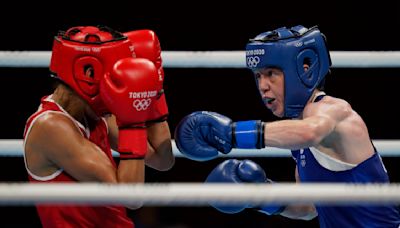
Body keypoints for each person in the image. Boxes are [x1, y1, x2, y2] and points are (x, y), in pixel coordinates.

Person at [174, 25, 400, 227]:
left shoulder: (334, 110)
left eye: (271, 73)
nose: (263, 86)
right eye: (258, 76)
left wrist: (232, 134)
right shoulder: (297, 132)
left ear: (304, 69)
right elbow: (309, 208)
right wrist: (259, 197)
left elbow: (311, 132)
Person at [23, 25, 174, 228]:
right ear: (88, 73)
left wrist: (153, 91)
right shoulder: (51, 127)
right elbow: (132, 198)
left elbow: (162, 159)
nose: (119, 82)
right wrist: (133, 123)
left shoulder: (96, 116)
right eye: (114, 74)